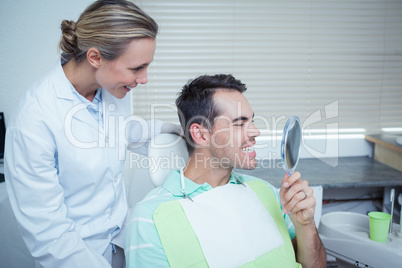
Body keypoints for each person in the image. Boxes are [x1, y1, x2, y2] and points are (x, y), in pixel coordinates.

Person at [4, 1, 178, 267]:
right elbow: (49, 235)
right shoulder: (33, 121)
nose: (144, 79)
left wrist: (183, 131)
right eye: (136, 68)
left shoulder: (110, 88)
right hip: (77, 257)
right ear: (95, 57)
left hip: (122, 243)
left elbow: (124, 131)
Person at [125, 74, 326, 267]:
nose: (255, 131)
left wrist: (305, 226)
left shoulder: (267, 192)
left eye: (252, 121)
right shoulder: (149, 219)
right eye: (240, 124)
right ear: (201, 135)